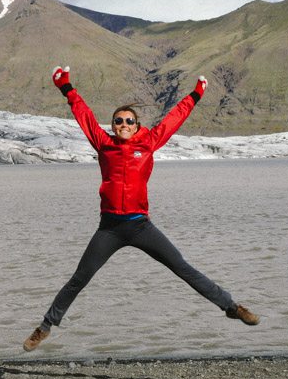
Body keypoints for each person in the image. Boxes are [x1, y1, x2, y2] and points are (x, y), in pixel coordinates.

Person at [22, 65, 259, 352]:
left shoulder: (148, 143)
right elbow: (84, 116)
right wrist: (66, 88)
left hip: (140, 226)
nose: (123, 124)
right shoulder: (103, 144)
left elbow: (173, 120)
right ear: (112, 126)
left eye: (129, 121)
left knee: (182, 267)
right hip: (109, 228)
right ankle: (45, 327)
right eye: (118, 121)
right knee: (79, 278)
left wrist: (195, 95)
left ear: (136, 125)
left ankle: (232, 307)